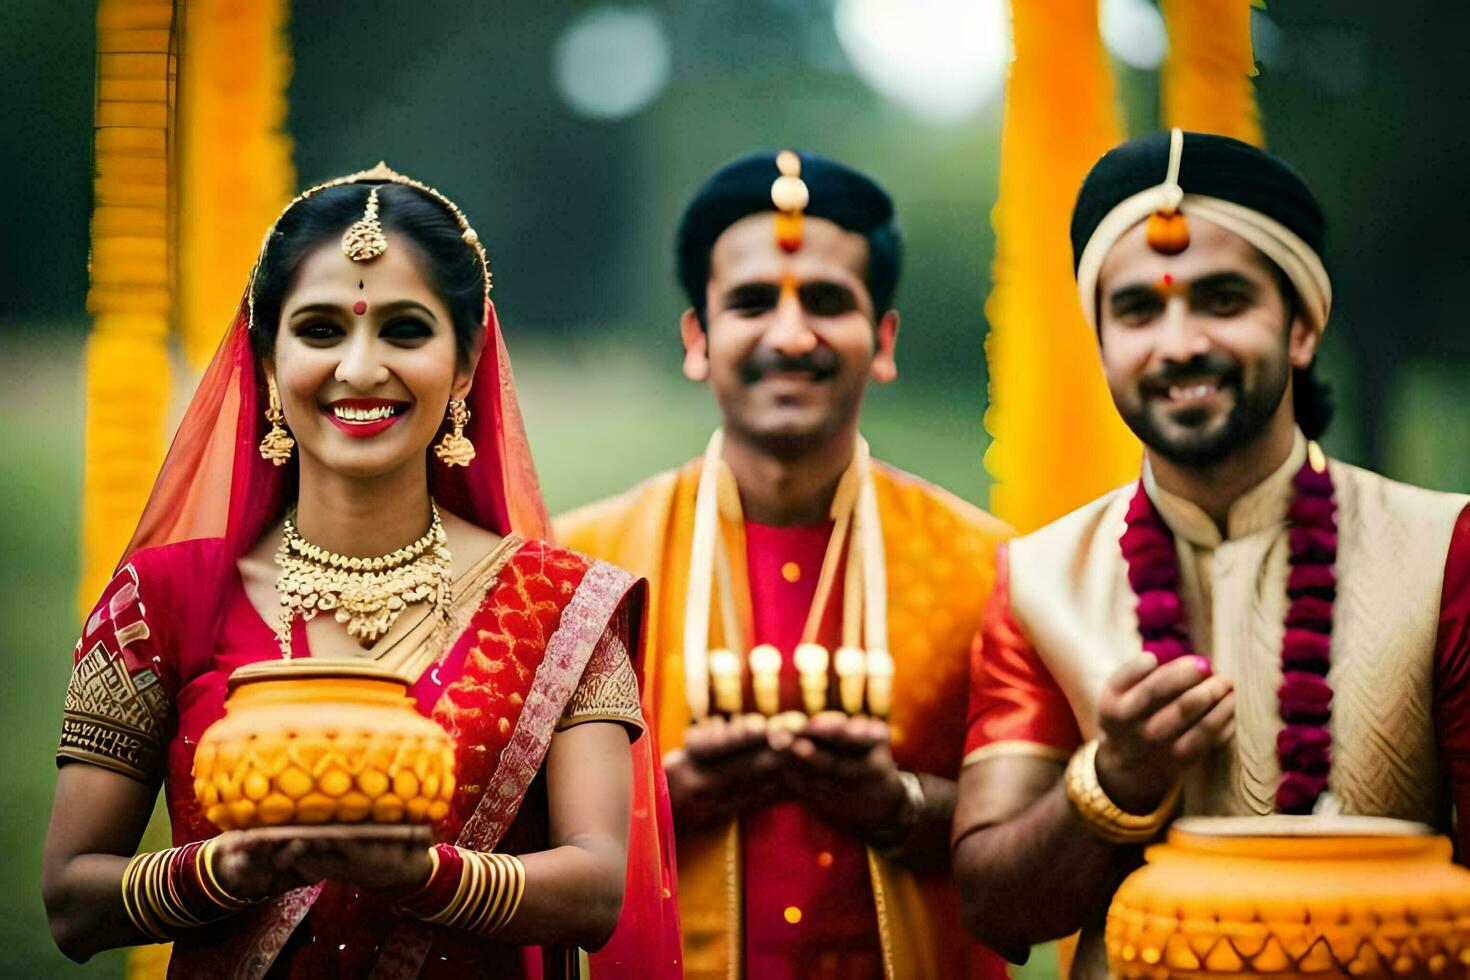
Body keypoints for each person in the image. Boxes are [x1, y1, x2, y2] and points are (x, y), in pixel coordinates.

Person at [42, 164, 681, 978]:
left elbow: (595, 892)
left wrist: (418, 874)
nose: (358, 368)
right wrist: (222, 873)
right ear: (266, 359)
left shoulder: (560, 608)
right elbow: (70, 901)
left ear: (465, 363)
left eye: (405, 330)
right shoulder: (158, 601)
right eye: (319, 330)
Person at [951, 129, 1470, 977]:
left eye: (1222, 300)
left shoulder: (1443, 551)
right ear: (1102, 345)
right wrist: (1114, 779)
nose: (1179, 343)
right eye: (1138, 310)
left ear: (1302, 328)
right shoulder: (1041, 580)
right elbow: (996, 907)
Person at [557, 149, 1012, 979]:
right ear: (698, 338)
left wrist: (899, 806)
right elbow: (508, 836)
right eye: (753, 302)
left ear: (882, 340)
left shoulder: (987, 564)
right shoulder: (585, 565)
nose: (792, 334)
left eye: (829, 302)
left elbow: (1036, 832)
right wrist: (662, 802)